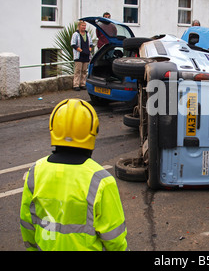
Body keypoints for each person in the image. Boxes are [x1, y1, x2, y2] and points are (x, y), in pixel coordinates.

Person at [20, 99, 128, 251]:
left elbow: (27, 222)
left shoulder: (35, 171)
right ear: (93, 131)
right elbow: (114, 239)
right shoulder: (102, 180)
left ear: (53, 128)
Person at [71, 20, 93, 91]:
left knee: (84, 71)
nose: (84, 27)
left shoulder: (87, 34)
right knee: (78, 70)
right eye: (82, 25)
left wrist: (89, 49)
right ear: (79, 26)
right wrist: (80, 50)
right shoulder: (76, 34)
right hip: (79, 55)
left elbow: (91, 43)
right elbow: (73, 44)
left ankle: (83, 84)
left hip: (86, 55)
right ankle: (76, 85)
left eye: (85, 26)